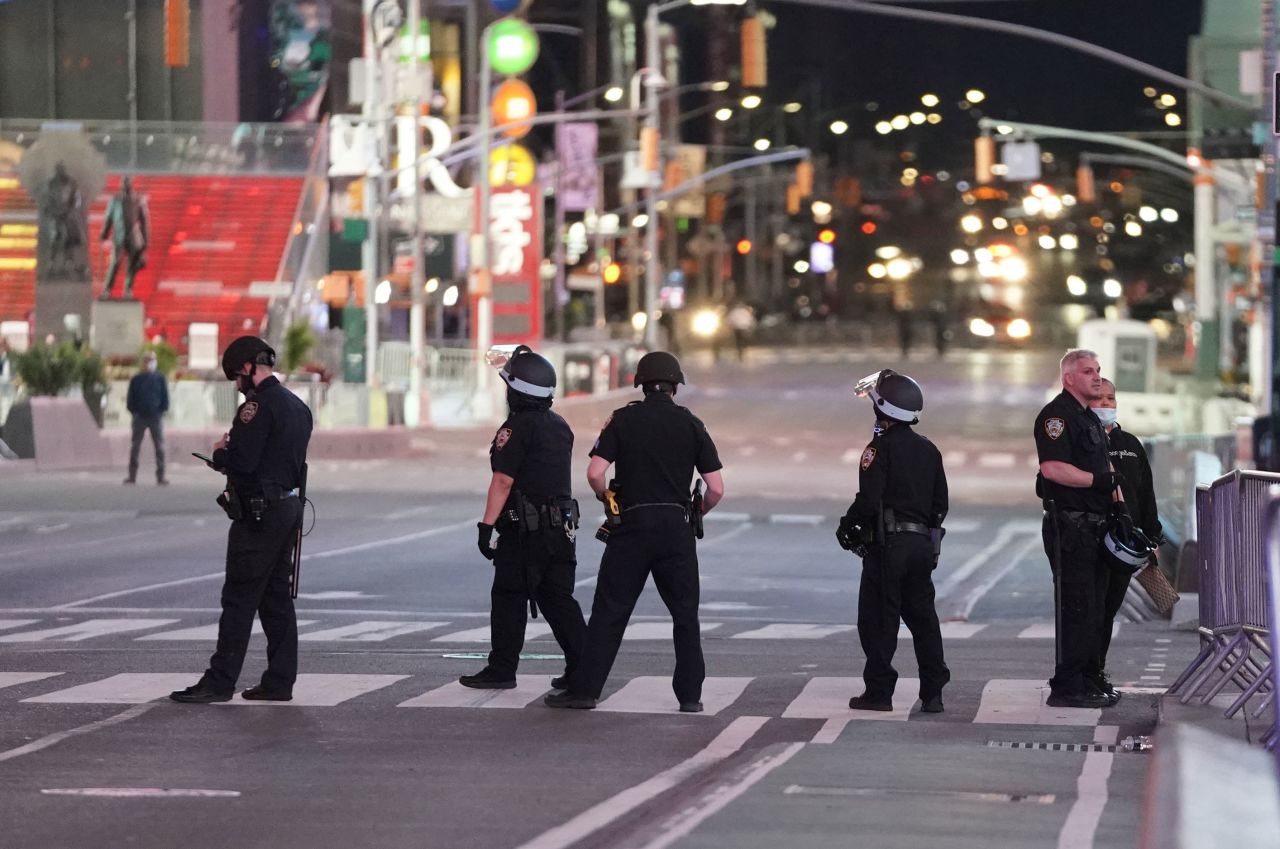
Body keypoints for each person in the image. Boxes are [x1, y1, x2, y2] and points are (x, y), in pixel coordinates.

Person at [545, 351, 724, 712]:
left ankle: (585, 692)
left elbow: (596, 473)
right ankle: (690, 697)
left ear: (641, 384)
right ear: (675, 385)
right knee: (685, 615)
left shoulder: (623, 421)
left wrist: (605, 496)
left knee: (610, 611)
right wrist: (695, 513)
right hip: (676, 529)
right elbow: (716, 488)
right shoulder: (691, 424)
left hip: (632, 527)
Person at [171, 336, 312, 703]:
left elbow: (244, 462)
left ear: (250, 367)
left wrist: (220, 454)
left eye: (237, 376)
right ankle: (280, 681)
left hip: (259, 513)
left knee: (239, 598)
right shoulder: (298, 406)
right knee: (276, 598)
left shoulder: (256, 407)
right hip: (288, 508)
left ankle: (220, 681)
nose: (237, 384)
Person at [461, 346, 588, 690]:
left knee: (508, 595)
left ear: (518, 391)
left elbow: (503, 481)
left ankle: (502, 669)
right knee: (558, 598)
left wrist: (486, 526)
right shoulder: (559, 425)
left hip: (525, 530)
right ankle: (585, 667)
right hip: (562, 529)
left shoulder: (515, 428)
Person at [837, 369, 950, 713]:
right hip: (921, 546)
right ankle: (933, 692)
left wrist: (847, 525)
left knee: (878, 619)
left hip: (889, 545)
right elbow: (940, 504)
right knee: (923, 620)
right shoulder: (929, 449)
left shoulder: (878, 449)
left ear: (884, 408)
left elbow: (870, 500)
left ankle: (879, 692)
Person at [1034, 349, 1119, 710]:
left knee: (1094, 609)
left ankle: (1086, 678)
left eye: (1098, 371)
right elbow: (1053, 469)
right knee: (1077, 608)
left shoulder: (1088, 419)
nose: (1096, 377)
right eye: (1087, 371)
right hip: (1070, 527)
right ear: (1069, 378)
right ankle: (1067, 685)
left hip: (1094, 528)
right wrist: (1098, 481)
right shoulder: (1058, 417)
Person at [1094, 378, 1162, 691]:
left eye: (1111, 398)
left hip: (1125, 542)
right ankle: (1082, 672)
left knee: (1109, 609)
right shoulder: (1082, 440)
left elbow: (1146, 493)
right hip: (1091, 537)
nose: (1106, 404)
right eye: (1100, 398)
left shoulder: (1131, 445)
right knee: (1089, 609)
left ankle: (1097, 669)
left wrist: (1153, 537)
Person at [100, 176, 149, 299]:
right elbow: (109, 218)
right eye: (123, 183)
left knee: (132, 265)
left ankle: (128, 290)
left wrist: (146, 241)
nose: (125, 186)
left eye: (127, 183)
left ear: (130, 184)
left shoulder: (138, 200)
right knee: (115, 262)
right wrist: (104, 233)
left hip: (133, 236)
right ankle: (107, 289)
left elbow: (144, 222)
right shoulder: (115, 200)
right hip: (119, 235)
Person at [124, 351, 168, 485]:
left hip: (155, 416)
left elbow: (165, 398)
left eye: (152, 360)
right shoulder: (136, 379)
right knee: (135, 446)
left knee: (159, 446)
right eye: (147, 360)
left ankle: (161, 476)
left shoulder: (160, 378)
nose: (149, 363)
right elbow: (130, 399)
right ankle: (132, 475)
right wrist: (135, 412)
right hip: (140, 417)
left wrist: (161, 411)